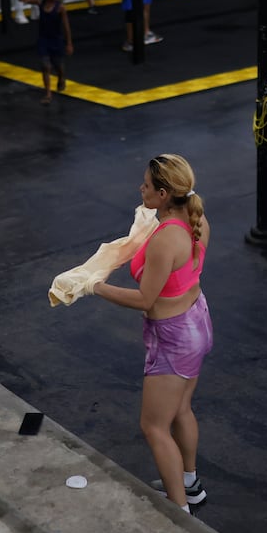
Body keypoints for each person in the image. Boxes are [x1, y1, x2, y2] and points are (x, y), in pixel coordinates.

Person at [89, 154, 212, 514]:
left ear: (162, 194)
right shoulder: (197, 218)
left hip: (174, 339)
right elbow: (188, 271)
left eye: (145, 185)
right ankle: (189, 485)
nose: (139, 188)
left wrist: (94, 287)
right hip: (197, 320)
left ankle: (181, 514)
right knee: (182, 409)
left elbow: (145, 298)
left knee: (153, 426)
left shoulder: (165, 241)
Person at [18, 0, 74, 104]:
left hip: (56, 40)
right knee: (45, 66)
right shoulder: (41, 3)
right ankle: (48, 94)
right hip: (44, 40)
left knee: (58, 65)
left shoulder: (60, 8)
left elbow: (66, 27)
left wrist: (69, 43)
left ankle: (61, 77)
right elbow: (29, 0)